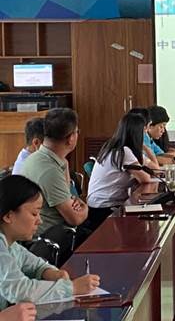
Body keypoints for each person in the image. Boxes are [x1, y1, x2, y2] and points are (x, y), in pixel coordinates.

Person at [0, 175, 99, 310]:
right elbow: (20, 290)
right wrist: (72, 288)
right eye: (34, 214)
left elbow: (34, 264)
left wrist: (48, 272)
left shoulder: (12, 245)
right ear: (8, 216)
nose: (39, 221)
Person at [20, 108, 88, 238]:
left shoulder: (42, 157)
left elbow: (71, 198)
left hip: (57, 232)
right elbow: (75, 218)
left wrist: (76, 203)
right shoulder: (49, 170)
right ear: (71, 138)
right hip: (52, 238)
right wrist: (85, 207)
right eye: (77, 132)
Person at [86, 113, 153, 230]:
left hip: (97, 206)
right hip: (104, 209)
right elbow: (145, 178)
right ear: (136, 134)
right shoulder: (123, 152)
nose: (145, 136)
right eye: (143, 132)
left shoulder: (112, 147)